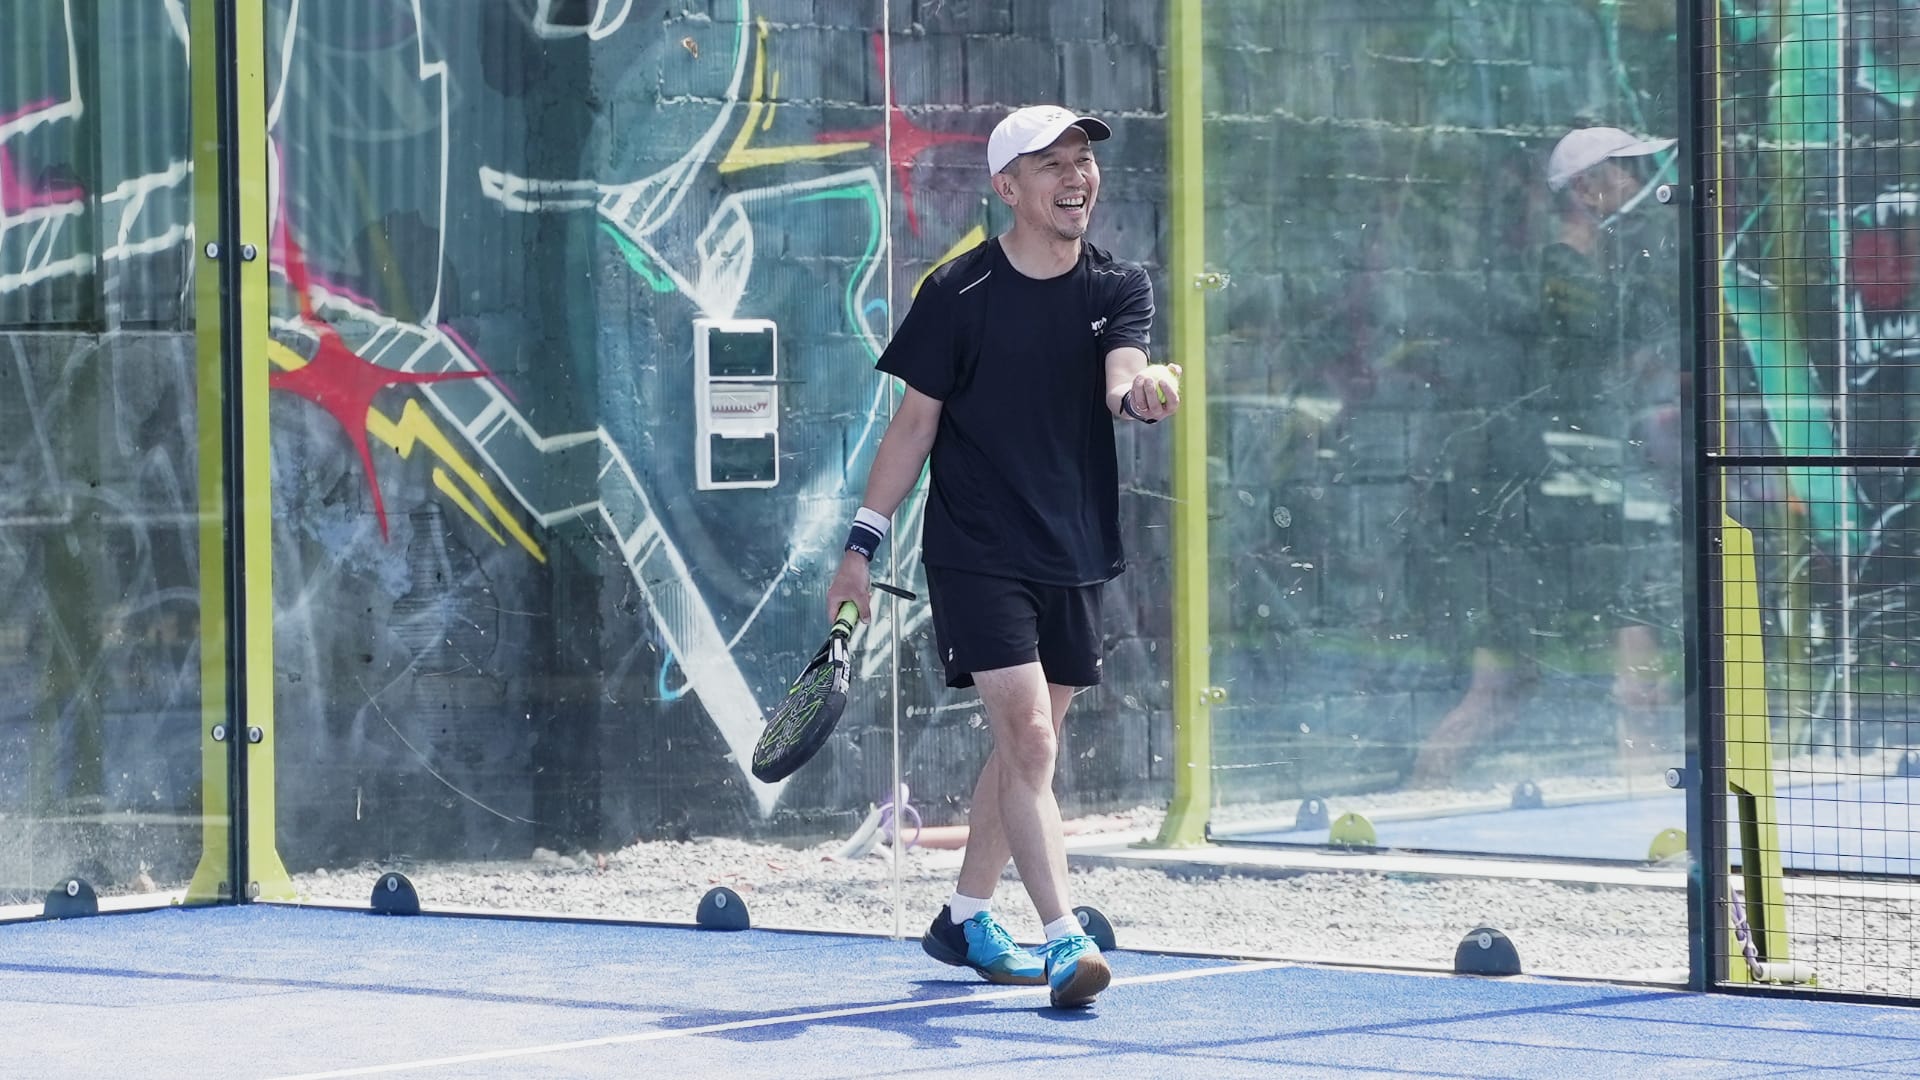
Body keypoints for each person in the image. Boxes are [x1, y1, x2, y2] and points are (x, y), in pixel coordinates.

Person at [826, 105, 1182, 1009]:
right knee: (1028, 738)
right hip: (977, 548)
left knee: (1031, 749)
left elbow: (1118, 383)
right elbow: (914, 427)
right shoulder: (958, 293)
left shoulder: (1118, 287)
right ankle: (1066, 940)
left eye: (1083, 161)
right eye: (1051, 163)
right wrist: (860, 548)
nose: (1077, 177)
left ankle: (965, 915)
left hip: (1075, 548)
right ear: (1008, 188)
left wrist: (1142, 396)